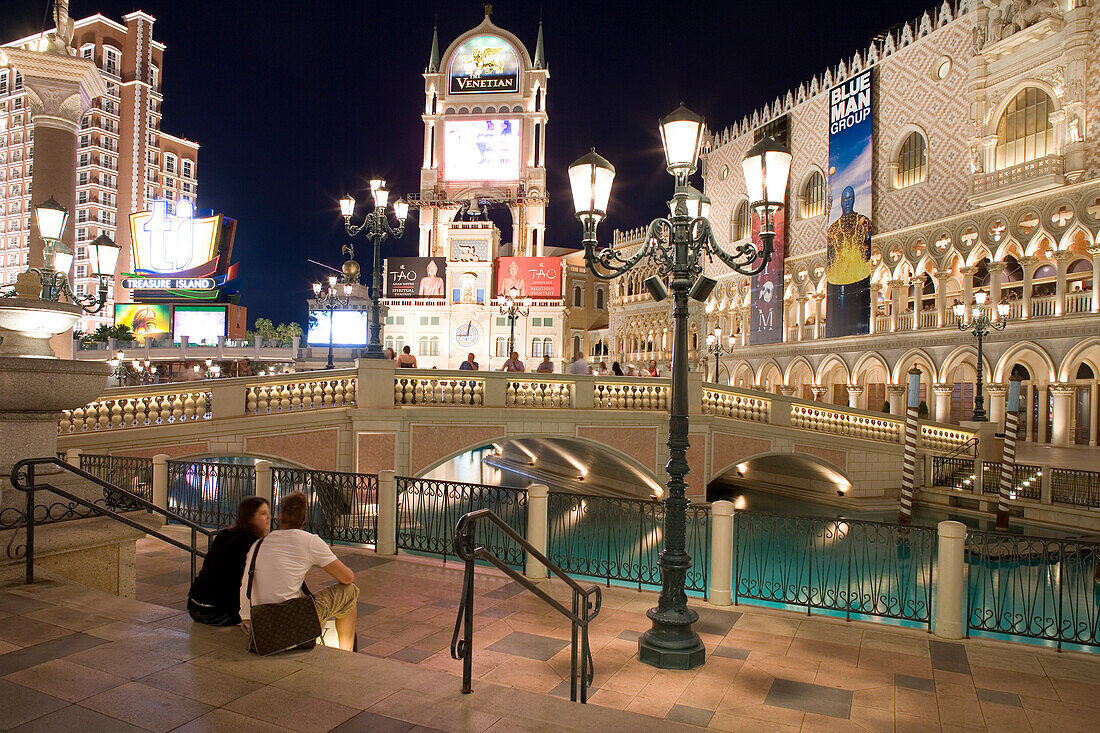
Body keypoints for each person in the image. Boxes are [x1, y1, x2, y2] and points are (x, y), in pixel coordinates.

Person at [240, 492, 359, 651]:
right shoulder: (309, 541)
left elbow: (248, 584)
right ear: (304, 518)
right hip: (287, 625)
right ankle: (346, 652)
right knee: (350, 592)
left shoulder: (260, 543)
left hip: (256, 624)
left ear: (280, 516)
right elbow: (347, 577)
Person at [187, 497, 269, 626]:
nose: (269, 517)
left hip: (194, 606)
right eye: (263, 513)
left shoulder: (225, 534)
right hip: (216, 613)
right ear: (250, 517)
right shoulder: (251, 544)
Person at [825, 185, 872, 338]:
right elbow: (831, 258)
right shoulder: (832, 229)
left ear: (854, 200)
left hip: (859, 279)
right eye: (845, 199)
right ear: (840, 201)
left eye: (850, 198)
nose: (847, 202)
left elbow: (868, 247)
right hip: (839, 283)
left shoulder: (863, 221)